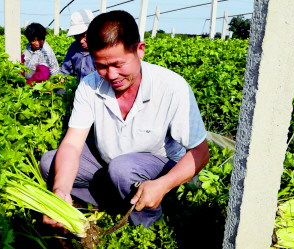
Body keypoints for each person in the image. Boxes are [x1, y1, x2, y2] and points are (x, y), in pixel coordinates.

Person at [39, 10, 210, 229]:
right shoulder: (90, 85)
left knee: (122, 169)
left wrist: (163, 184)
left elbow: (200, 152)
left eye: (118, 65)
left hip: (158, 167)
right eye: (101, 65)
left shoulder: (171, 87)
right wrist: (60, 191)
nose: (111, 75)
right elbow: (72, 143)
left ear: (140, 50)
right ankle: (119, 203)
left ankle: (146, 227)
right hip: (112, 161)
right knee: (50, 163)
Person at [60, 9, 96, 84]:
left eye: (84, 35)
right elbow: (65, 72)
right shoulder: (74, 47)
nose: (81, 41)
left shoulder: (103, 47)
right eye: (77, 37)